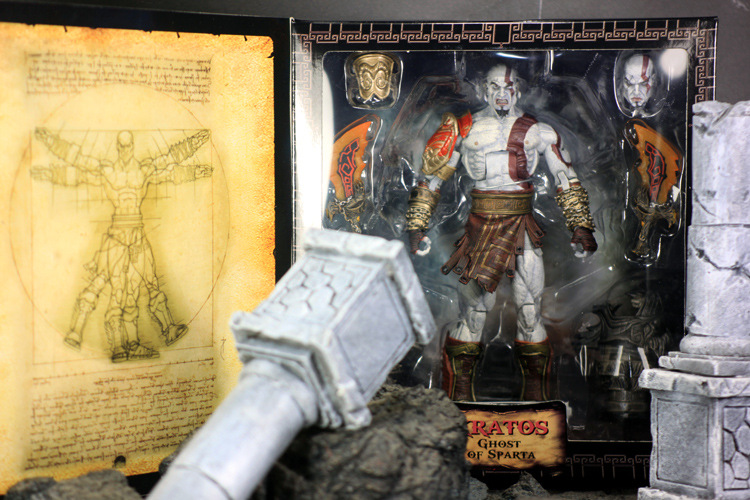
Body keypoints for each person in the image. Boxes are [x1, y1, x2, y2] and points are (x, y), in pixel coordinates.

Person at [405, 64, 597, 401]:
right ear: (484, 89)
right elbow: (432, 178)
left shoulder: (539, 131)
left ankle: (536, 402)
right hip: (480, 226)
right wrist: (417, 225)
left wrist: (580, 225)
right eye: (494, 87)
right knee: (474, 314)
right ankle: (459, 401)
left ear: (518, 90)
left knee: (529, 311)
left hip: (523, 226)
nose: (502, 94)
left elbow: (565, 178)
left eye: (508, 87)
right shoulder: (464, 128)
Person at [33, 128, 212, 362]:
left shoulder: (143, 170)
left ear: (132, 147)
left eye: (128, 146)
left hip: (136, 233)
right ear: (118, 147)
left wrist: (194, 152)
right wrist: (50, 152)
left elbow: (169, 166)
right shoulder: (107, 171)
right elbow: (78, 167)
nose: (125, 150)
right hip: (117, 235)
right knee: (110, 286)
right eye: (122, 146)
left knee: (146, 283)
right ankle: (103, 341)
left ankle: (163, 332)